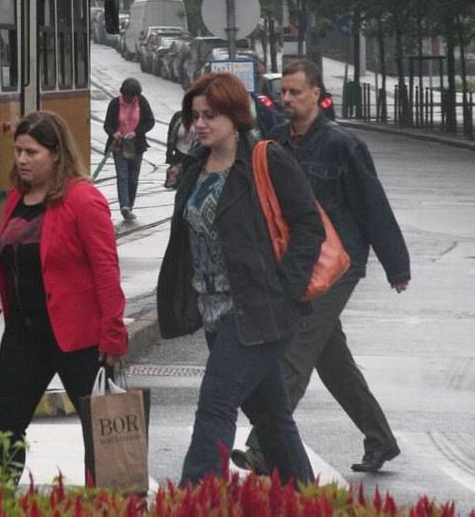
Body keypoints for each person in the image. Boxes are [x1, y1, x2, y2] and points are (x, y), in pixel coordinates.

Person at [233, 59, 410, 474]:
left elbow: (373, 206)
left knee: (295, 351)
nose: (288, 100)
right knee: (331, 359)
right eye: (284, 94)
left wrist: (396, 265)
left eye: (296, 92)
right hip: (297, 265)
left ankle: (261, 445)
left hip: (338, 264)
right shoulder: (274, 142)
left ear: (316, 93)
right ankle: (380, 439)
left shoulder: (341, 144)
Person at [156, 72, 324, 487]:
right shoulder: (196, 166)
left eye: (210, 115)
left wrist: (287, 287)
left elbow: (309, 226)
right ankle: (303, 496)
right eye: (194, 116)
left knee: (216, 402)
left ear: (235, 116)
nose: (199, 124)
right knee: (271, 417)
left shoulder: (266, 161)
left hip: (258, 311)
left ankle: (198, 497)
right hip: (216, 314)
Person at [0, 110, 128, 481]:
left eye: (32, 152)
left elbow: (106, 271)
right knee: (7, 429)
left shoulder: (82, 200)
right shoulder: (17, 199)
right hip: (25, 336)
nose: (22, 160)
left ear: (56, 154)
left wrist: (113, 333)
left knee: (102, 432)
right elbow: (12, 254)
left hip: (78, 337)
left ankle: (109, 503)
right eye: (18, 151)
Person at [103, 77, 154, 220]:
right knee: (122, 176)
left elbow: (150, 121)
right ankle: (124, 206)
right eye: (127, 96)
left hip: (136, 146)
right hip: (119, 145)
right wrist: (114, 133)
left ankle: (129, 205)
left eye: (132, 97)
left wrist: (136, 133)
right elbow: (107, 124)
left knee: (133, 178)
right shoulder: (115, 104)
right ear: (122, 94)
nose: (130, 99)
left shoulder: (142, 102)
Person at [164, 109, 197, 189]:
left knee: (190, 184)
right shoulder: (179, 116)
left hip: (195, 156)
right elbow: (171, 135)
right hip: (179, 152)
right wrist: (170, 154)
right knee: (178, 183)